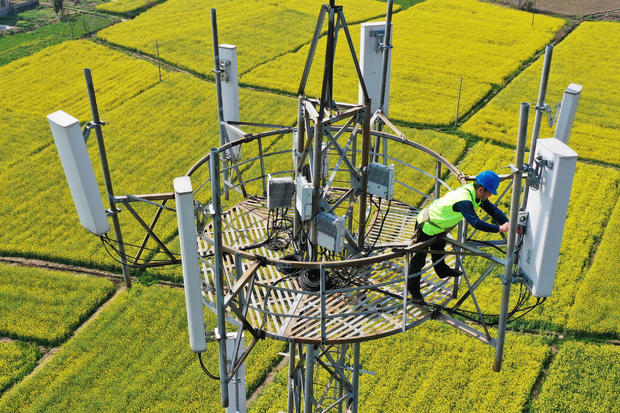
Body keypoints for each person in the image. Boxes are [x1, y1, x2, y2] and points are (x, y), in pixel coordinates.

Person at [408, 170, 509, 304]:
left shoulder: (475, 194)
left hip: (439, 225)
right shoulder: (465, 201)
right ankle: (414, 292)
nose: (490, 195)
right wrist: (499, 229)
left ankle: (442, 271)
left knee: (439, 247)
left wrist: (508, 222)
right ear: (481, 189)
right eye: (490, 192)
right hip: (427, 225)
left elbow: (493, 210)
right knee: (418, 260)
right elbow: (476, 223)